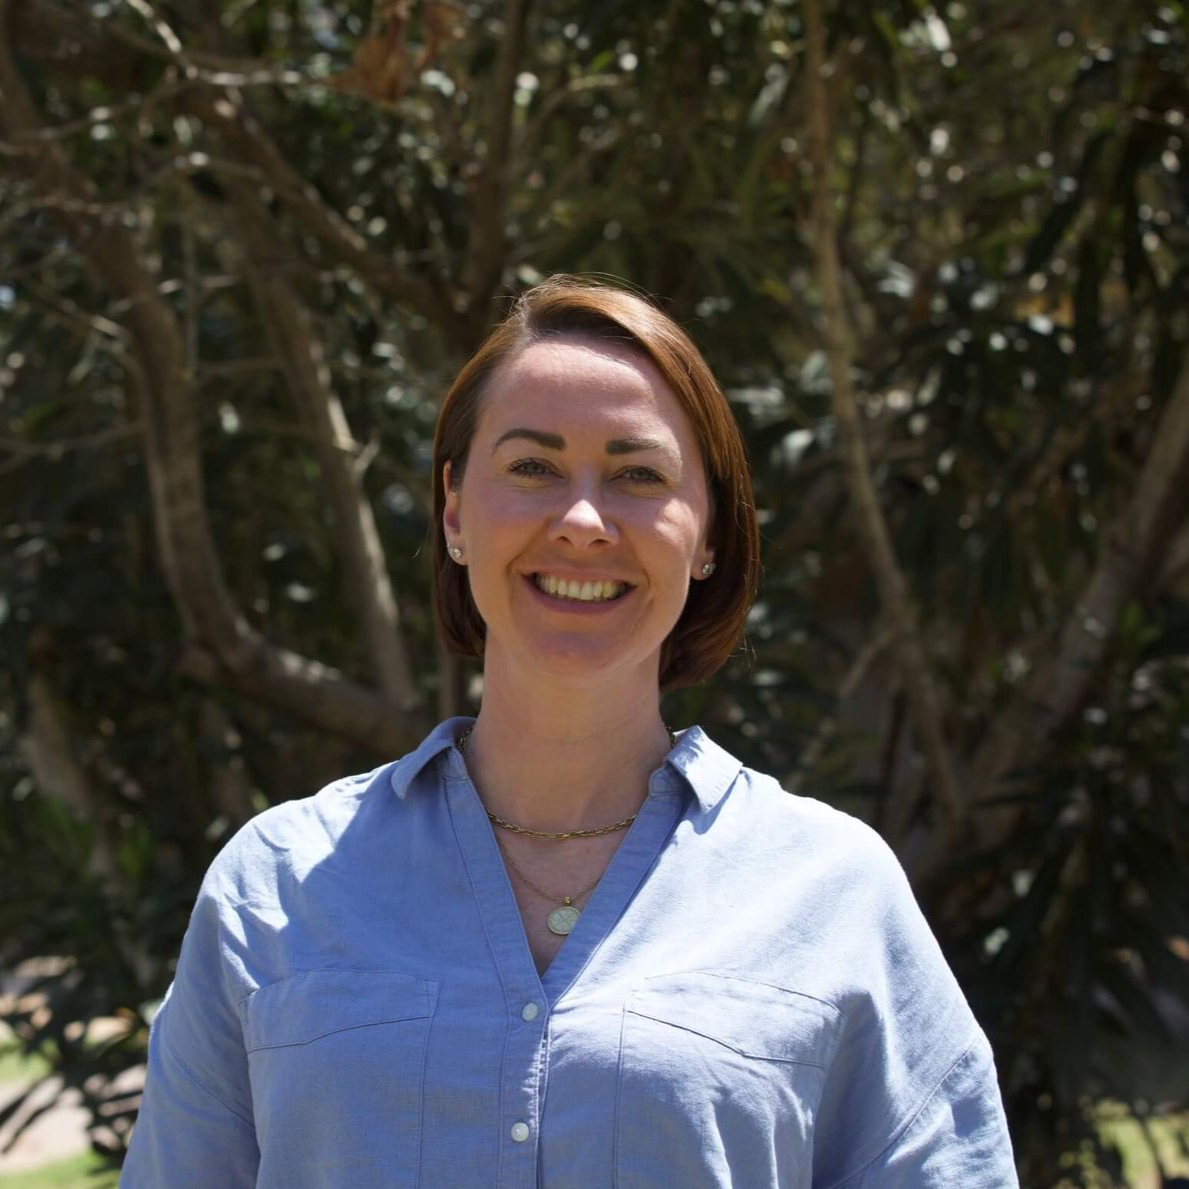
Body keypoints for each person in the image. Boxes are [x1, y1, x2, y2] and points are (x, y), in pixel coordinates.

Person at [121, 276, 1018, 1188]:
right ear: (455, 511)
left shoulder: (831, 892)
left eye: (638, 475)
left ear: (707, 534)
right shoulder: (274, 886)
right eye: (532, 468)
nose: (583, 521)